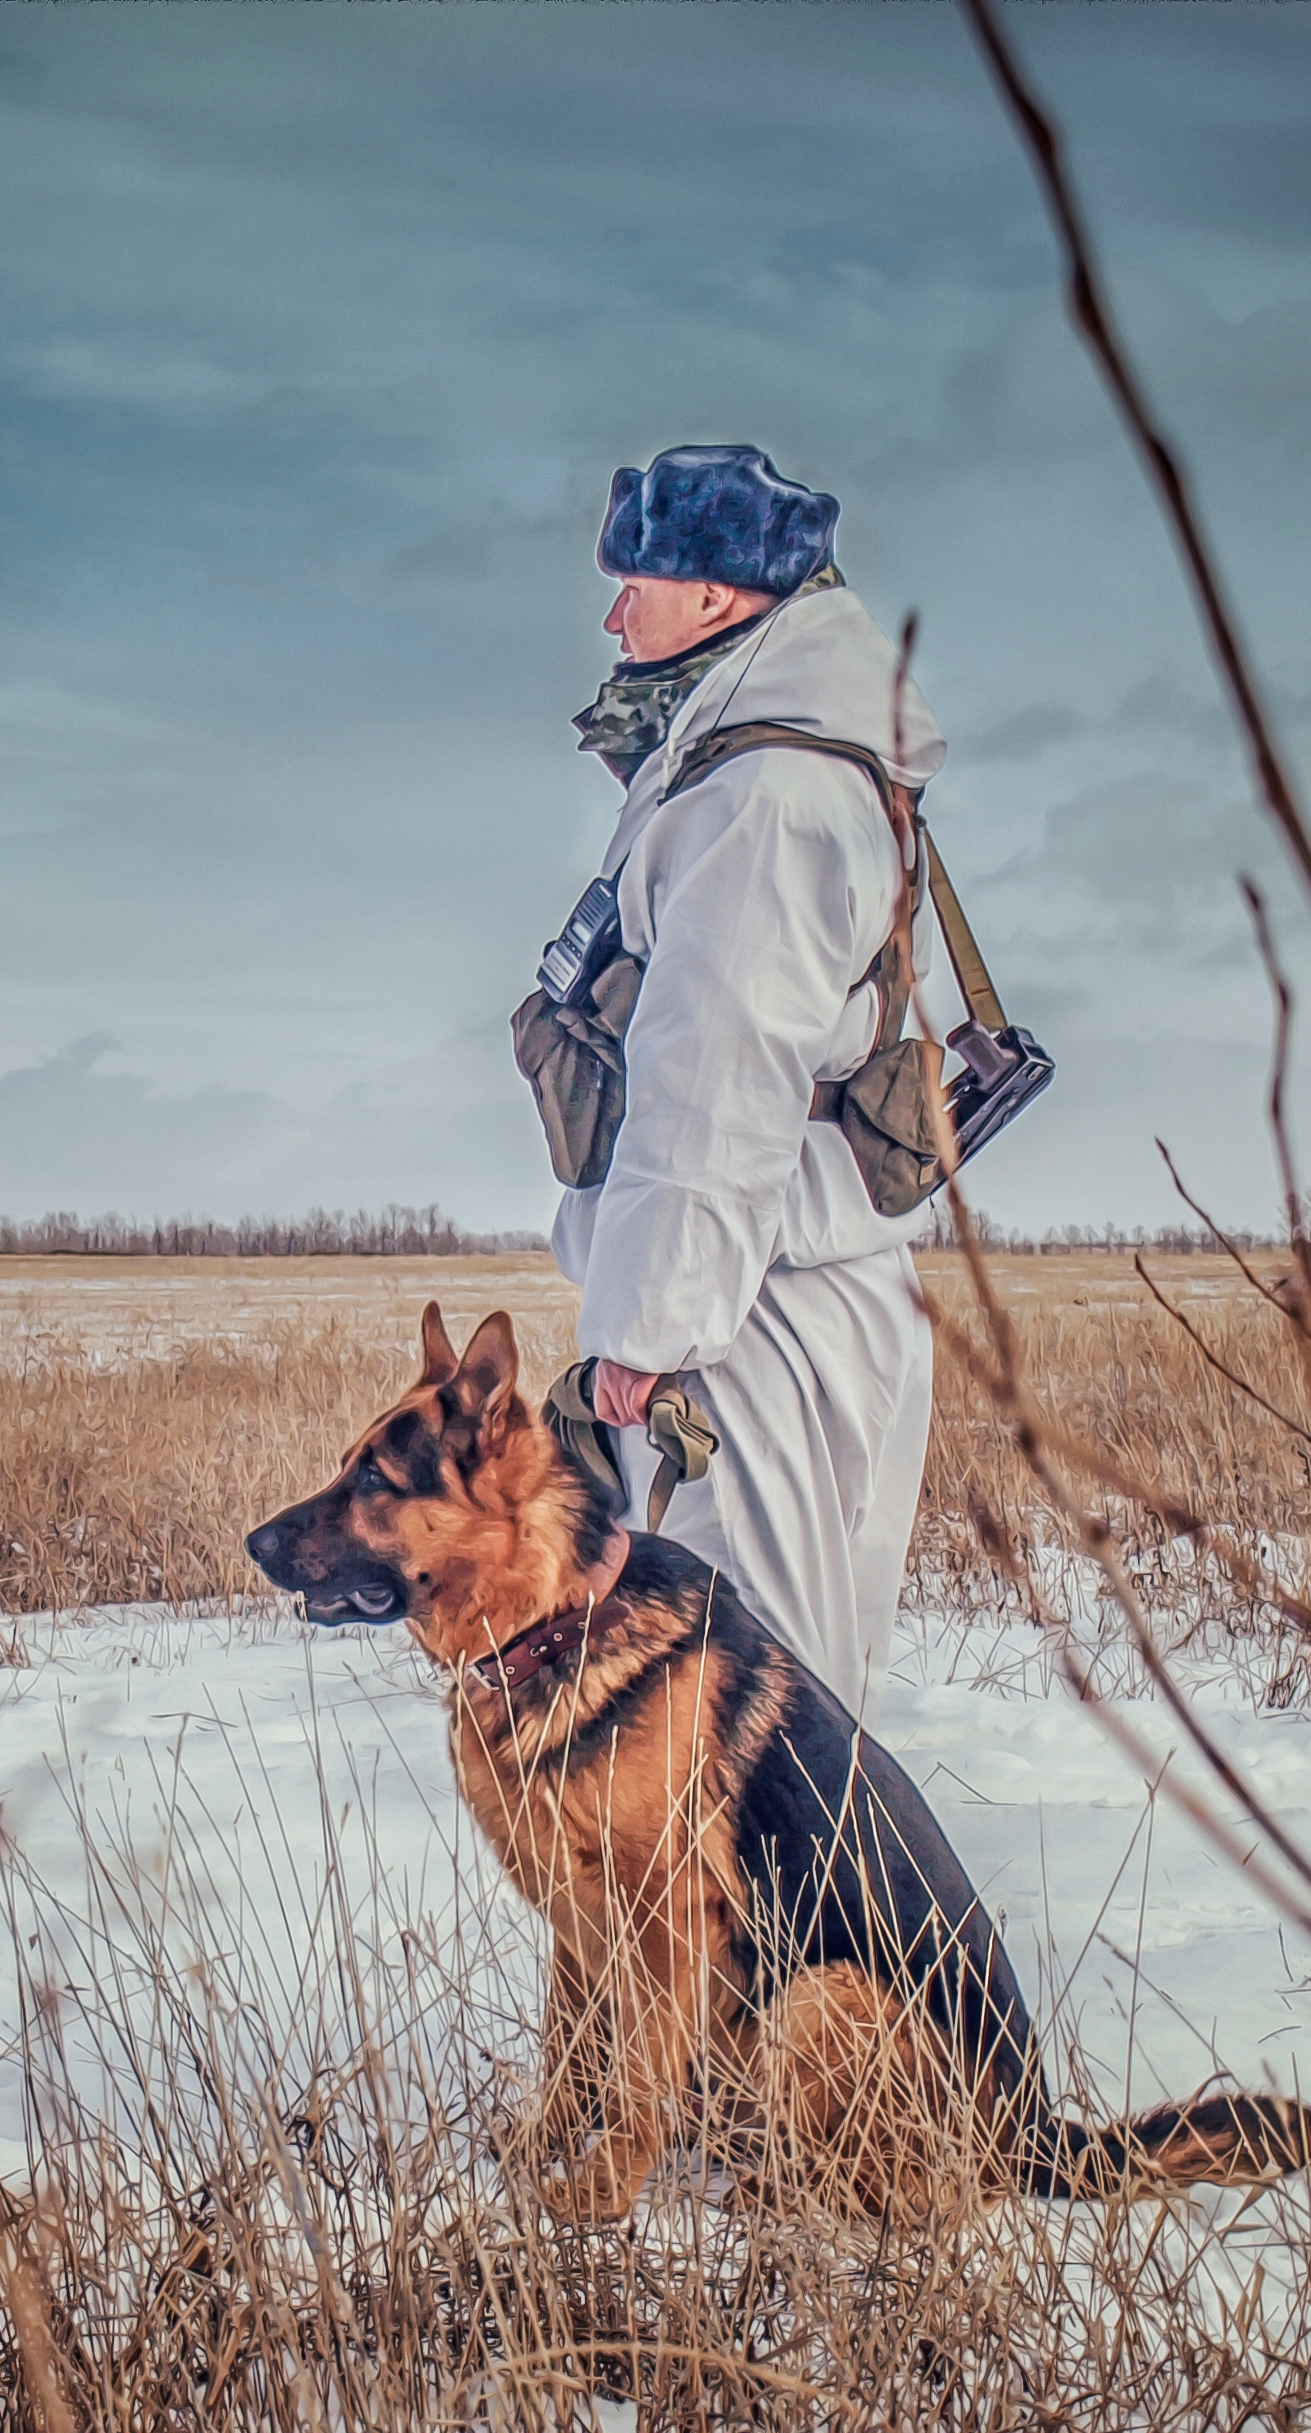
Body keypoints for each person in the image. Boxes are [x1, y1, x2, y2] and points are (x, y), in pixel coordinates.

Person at [536, 444, 944, 1725]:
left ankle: (800, 1932)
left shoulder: (761, 795)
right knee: (798, 1692)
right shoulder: (784, 762)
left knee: (750, 1709)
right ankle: (826, 1929)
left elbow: (713, 1080)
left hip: (754, 1307)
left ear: (715, 598)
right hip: (787, 1278)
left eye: (633, 580)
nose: (613, 613)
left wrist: (648, 1335)